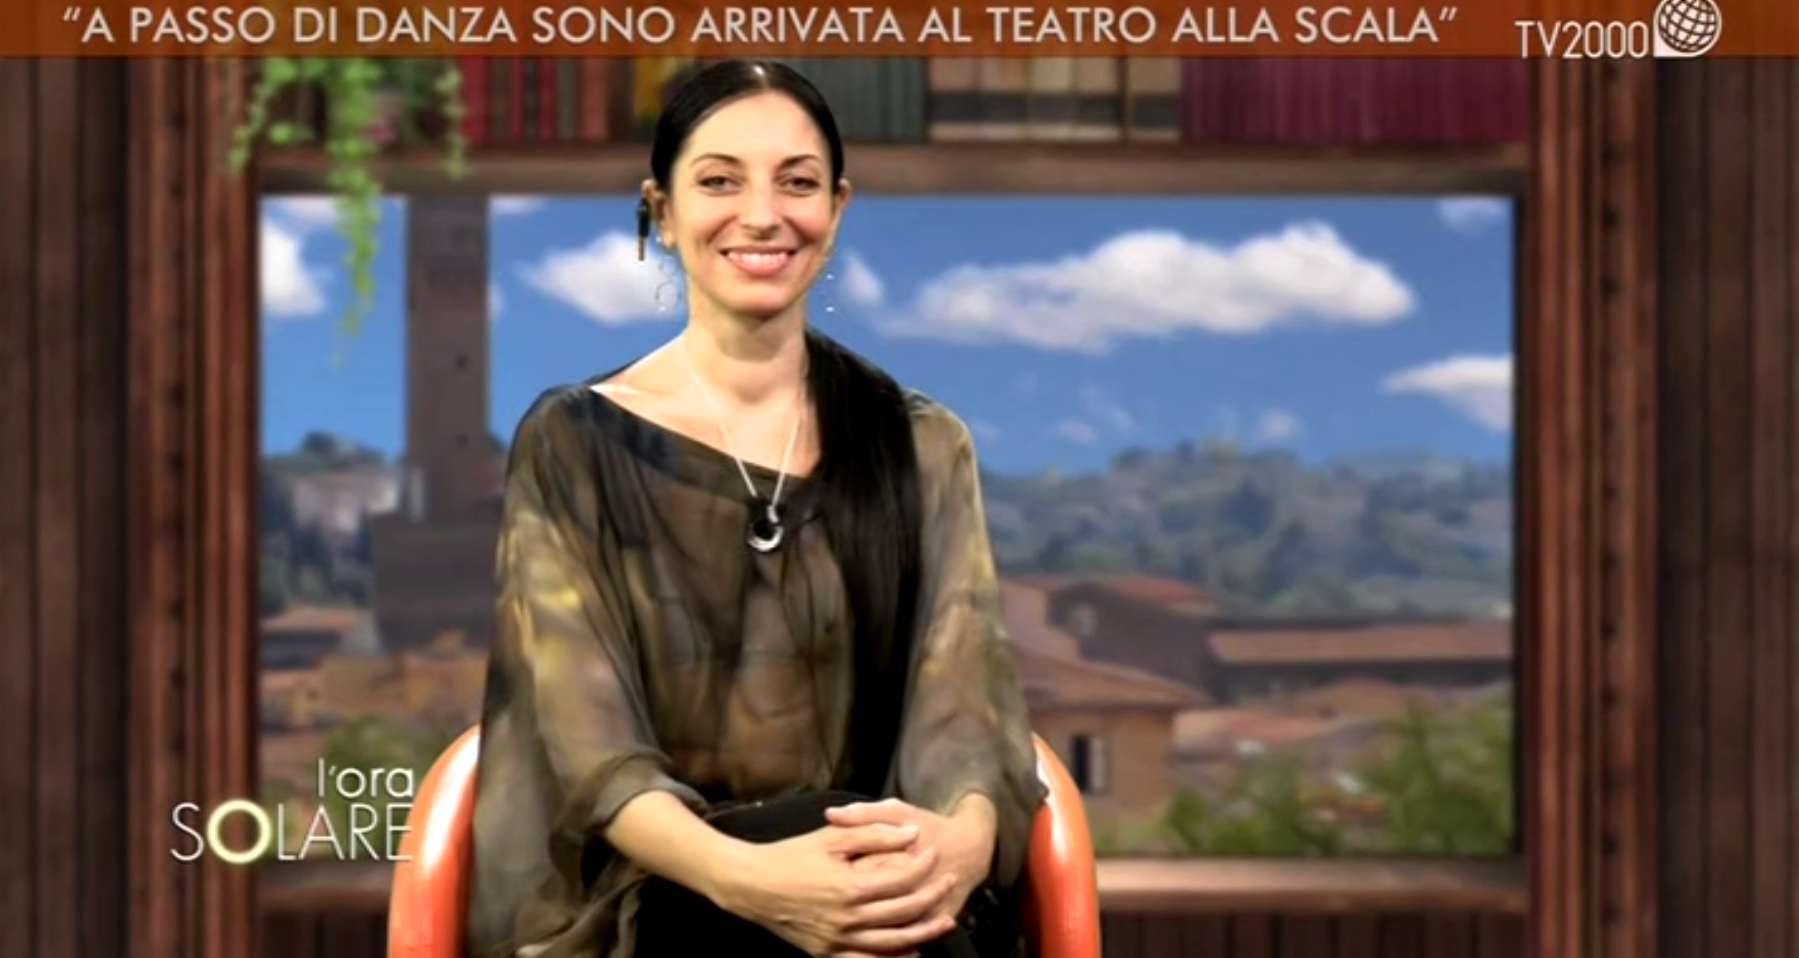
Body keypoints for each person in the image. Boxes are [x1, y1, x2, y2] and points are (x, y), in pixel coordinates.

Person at [466, 59, 1048, 958]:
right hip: (657, 895)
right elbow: (590, 750)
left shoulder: (922, 444)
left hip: (882, 892)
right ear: (662, 212)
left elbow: (964, 712)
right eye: (719, 182)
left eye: (798, 183)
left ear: (837, 211)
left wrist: (956, 852)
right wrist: (754, 883)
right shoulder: (572, 441)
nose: (763, 214)